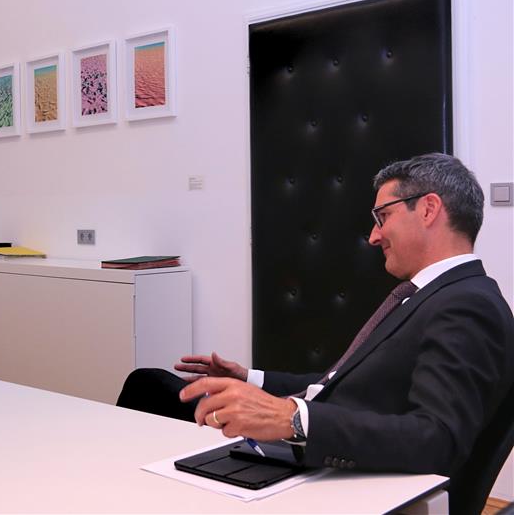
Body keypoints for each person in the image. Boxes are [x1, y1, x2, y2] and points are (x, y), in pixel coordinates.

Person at [117, 153, 514, 479]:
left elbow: (437, 437)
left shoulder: (467, 305)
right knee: (148, 384)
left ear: (428, 209)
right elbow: (339, 384)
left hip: (327, 461)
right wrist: (250, 378)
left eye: (382, 217)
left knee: (147, 388)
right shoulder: (431, 295)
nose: (374, 235)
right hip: (319, 437)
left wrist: (293, 420)